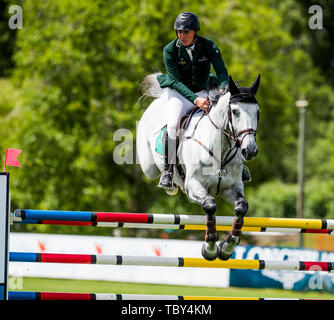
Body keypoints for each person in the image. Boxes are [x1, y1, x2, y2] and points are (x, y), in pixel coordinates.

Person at [156, 12, 250, 190]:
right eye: (179, 32)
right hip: (179, 93)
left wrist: (222, 88)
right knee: (173, 125)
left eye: (186, 32)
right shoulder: (169, 50)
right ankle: (168, 171)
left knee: (227, 118)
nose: (181, 36)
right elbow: (175, 81)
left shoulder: (209, 46)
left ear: (195, 32)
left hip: (205, 90)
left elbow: (222, 71)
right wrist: (195, 99)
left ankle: (239, 165)